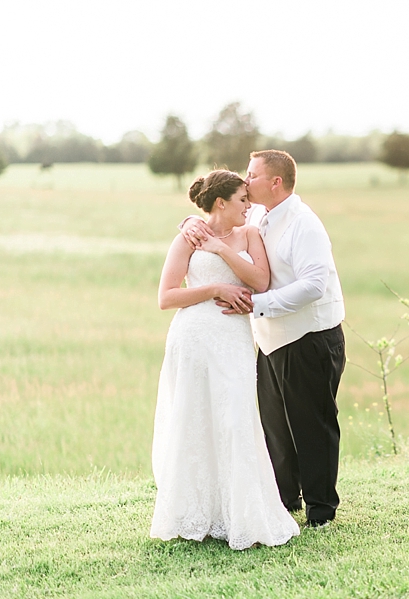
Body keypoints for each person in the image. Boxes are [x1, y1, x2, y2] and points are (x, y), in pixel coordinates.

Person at [183, 150, 346, 528]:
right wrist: (189, 221)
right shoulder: (256, 213)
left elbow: (313, 286)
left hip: (310, 337)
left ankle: (321, 509)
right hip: (270, 339)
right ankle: (284, 499)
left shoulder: (305, 224)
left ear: (275, 182)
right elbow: (220, 217)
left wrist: (256, 304)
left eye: (252, 175)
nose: (245, 180)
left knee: (312, 425)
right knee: (275, 424)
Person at [151, 169, 300, 549]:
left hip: (233, 338)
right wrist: (213, 288)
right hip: (194, 337)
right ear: (221, 202)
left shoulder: (250, 234)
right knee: (195, 417)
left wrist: (221, 251)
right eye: (242, 201)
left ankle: (244, 515)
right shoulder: (189, 236)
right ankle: (195, 514)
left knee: (235, 418)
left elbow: (260, 282)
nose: (249, 207)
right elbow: (166, 297)